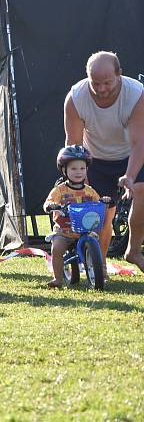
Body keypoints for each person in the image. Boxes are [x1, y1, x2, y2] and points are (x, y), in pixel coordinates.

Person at [64, 51, 144, 270]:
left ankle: (134, 250)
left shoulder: (136, 94)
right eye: (95, 83)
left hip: (132, 154)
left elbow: (140, 142)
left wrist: (129, 175)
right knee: (101, 214)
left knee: (141, 189)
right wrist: (83, 182)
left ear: (119, 74)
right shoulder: (76, 98)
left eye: (107, 83)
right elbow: (74, 145)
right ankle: (99, 265)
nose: (101, 89)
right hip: (95, 159)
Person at [43, 145, 109, 288]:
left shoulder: (89, 191)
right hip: (64, 231)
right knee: (57, 247)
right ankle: (58, 278)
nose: (78, 172)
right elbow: (48, 202)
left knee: (96, 243)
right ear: (64, 170)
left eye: (82, 168)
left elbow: (97, 201)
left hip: (85, 230)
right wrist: (51, 206)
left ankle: (99, 272)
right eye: (73, 169)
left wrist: (104, 201)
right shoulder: (60, 190)